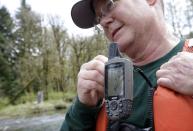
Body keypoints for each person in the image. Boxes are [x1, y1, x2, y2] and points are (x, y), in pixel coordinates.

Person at [60, 0, 193, 130]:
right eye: (98, 18)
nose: (102, 22)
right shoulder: (100, 85)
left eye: (109, 4)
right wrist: (82, 109)